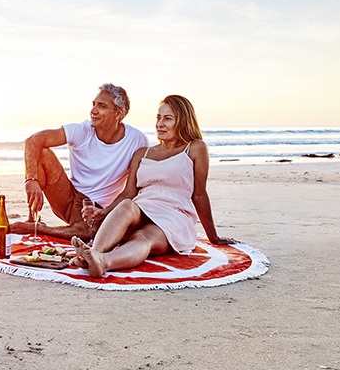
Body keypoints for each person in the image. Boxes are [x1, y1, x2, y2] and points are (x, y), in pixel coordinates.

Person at [71, 94, 236, 277]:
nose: (160, 124)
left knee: (143, 237)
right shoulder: (142, 153)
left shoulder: (196, 148)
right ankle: (94, 253)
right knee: (127, 206)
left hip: (173, 216)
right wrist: (105, 211)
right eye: (158, 118)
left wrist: (213, 236)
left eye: (168, 118)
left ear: (182, 121)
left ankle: (104, 262)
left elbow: (199, 195)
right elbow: (128, 193)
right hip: (141, 210)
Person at [10, 83, 150, 240]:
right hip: (66, 195)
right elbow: (33, 140)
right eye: (94, 104)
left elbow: (133, 189)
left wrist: (110, 211)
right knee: (42, 152)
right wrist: (31, 179)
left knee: (88, 233)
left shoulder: (137, 140)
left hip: (98, 207)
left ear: (119, 113)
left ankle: (40, 229)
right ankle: (33, 217)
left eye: (102, 106)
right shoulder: (82, 130)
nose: (93, 111)